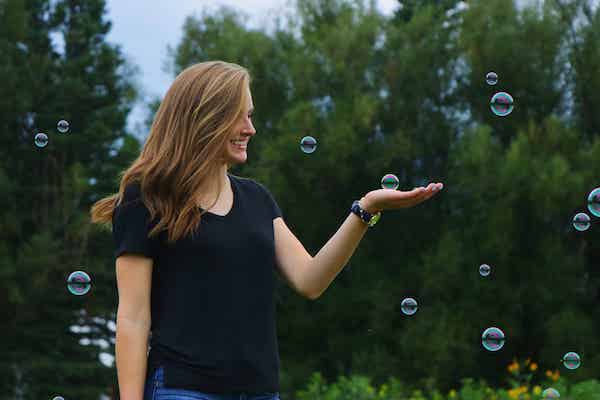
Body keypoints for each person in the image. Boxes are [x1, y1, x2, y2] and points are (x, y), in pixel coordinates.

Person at [90, 60, 443, 400]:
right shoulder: (145, 199)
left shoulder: (256, 199)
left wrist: (366, 209)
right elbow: (133, 318)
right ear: (206, 119)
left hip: (259, 392)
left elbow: (310, 279)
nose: (250, 128)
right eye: (239, 116)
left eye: (250, 115)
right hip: (182, 390)